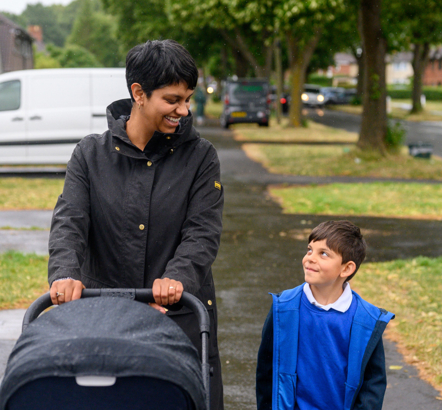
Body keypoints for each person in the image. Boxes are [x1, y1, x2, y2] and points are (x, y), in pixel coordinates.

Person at [47, 39, 224, 410]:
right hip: (104, 317)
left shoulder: (201, 157)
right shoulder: (90, 155)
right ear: (138, 93)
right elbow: (70, 222)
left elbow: (202, 232)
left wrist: (178, 277)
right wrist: (65, 272)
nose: (184, 110)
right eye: (173, 100)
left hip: (180, 317)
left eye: (187, 98)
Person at [256, 220, 395, 410]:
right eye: (309, 250)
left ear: (346, 268)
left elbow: (373, 384)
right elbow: (266, 372)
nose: (310, 258)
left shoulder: (367, 321)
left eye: (323, 254)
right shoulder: (284, 307)